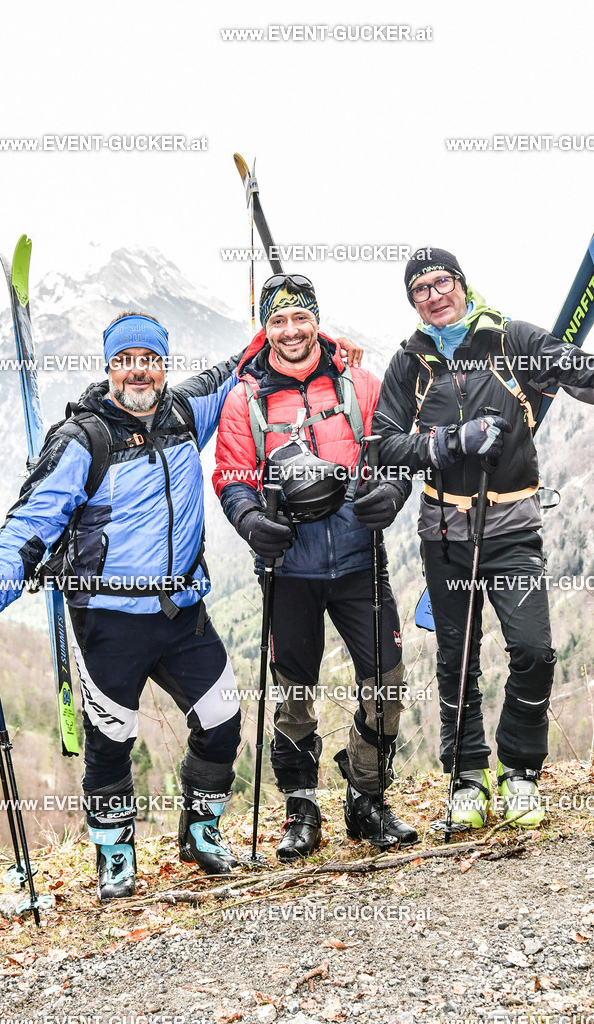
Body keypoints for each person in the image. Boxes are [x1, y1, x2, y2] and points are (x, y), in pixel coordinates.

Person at [0, 312, 249, 899]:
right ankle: (116, 858)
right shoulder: (82, 440)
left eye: (149, 358)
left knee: (222, 719)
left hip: (183, 609)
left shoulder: (185, 412)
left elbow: (244, 363)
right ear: (110, 367)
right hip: (109, 618)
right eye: (126, 360)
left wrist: (317, 338)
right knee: (111, 742)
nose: (138, 370)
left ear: (163, 366)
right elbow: (33, 520)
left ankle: (200, 832)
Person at [373, 248, 594, 829]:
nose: (432, 294)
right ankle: (466, 778)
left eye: (440, 281)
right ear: (412, 301)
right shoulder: (407, 364)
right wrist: (452, 441)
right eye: (419, 288)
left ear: (462, 284)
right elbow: (387, 447)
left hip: (513, 527)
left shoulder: (511, 339)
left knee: (533, 650)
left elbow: (582, 372)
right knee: (458, 660)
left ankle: (520, 772)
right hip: (444, 533)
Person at [213, 273, 418, 860]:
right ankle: (301, 809)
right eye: (277, 320)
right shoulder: (246, 397)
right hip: (290, 572)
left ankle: (366, 795)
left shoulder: (358, 382)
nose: (291, 330)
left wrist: (394, 490)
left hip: (359, 562)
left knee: (387, 682)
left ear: (315, 320)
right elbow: (232, 475)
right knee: (294, 694)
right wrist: (252, 521)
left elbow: (396, 448)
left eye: (300, 317)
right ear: (266, 329)